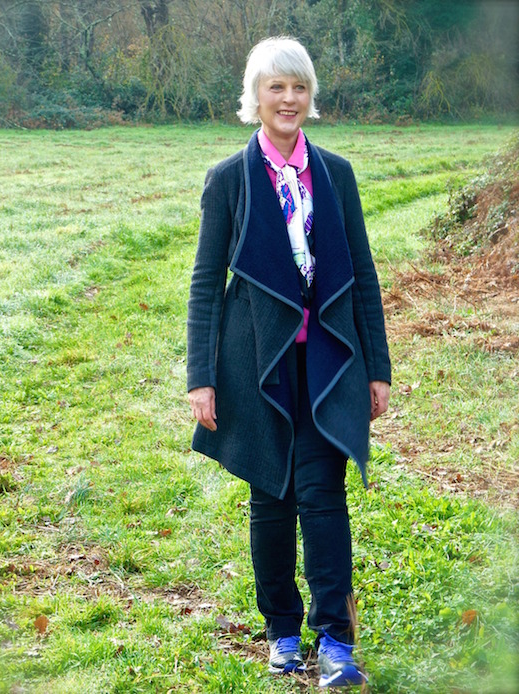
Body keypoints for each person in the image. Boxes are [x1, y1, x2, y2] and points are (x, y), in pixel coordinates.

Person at [187, 36, 391, 688]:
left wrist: (377, 367)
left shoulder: (336, 174)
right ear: (256, 97)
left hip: (330, 361)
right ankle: (281, 632)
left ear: (310, 96)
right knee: (271, 500)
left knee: (323, 496)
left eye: (299, 87)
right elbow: (203, 285)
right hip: (255, 368)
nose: (289, 99)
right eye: (276, 87)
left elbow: (362, 275)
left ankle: (335, 641)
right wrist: (203, 378)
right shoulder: (228, 180)